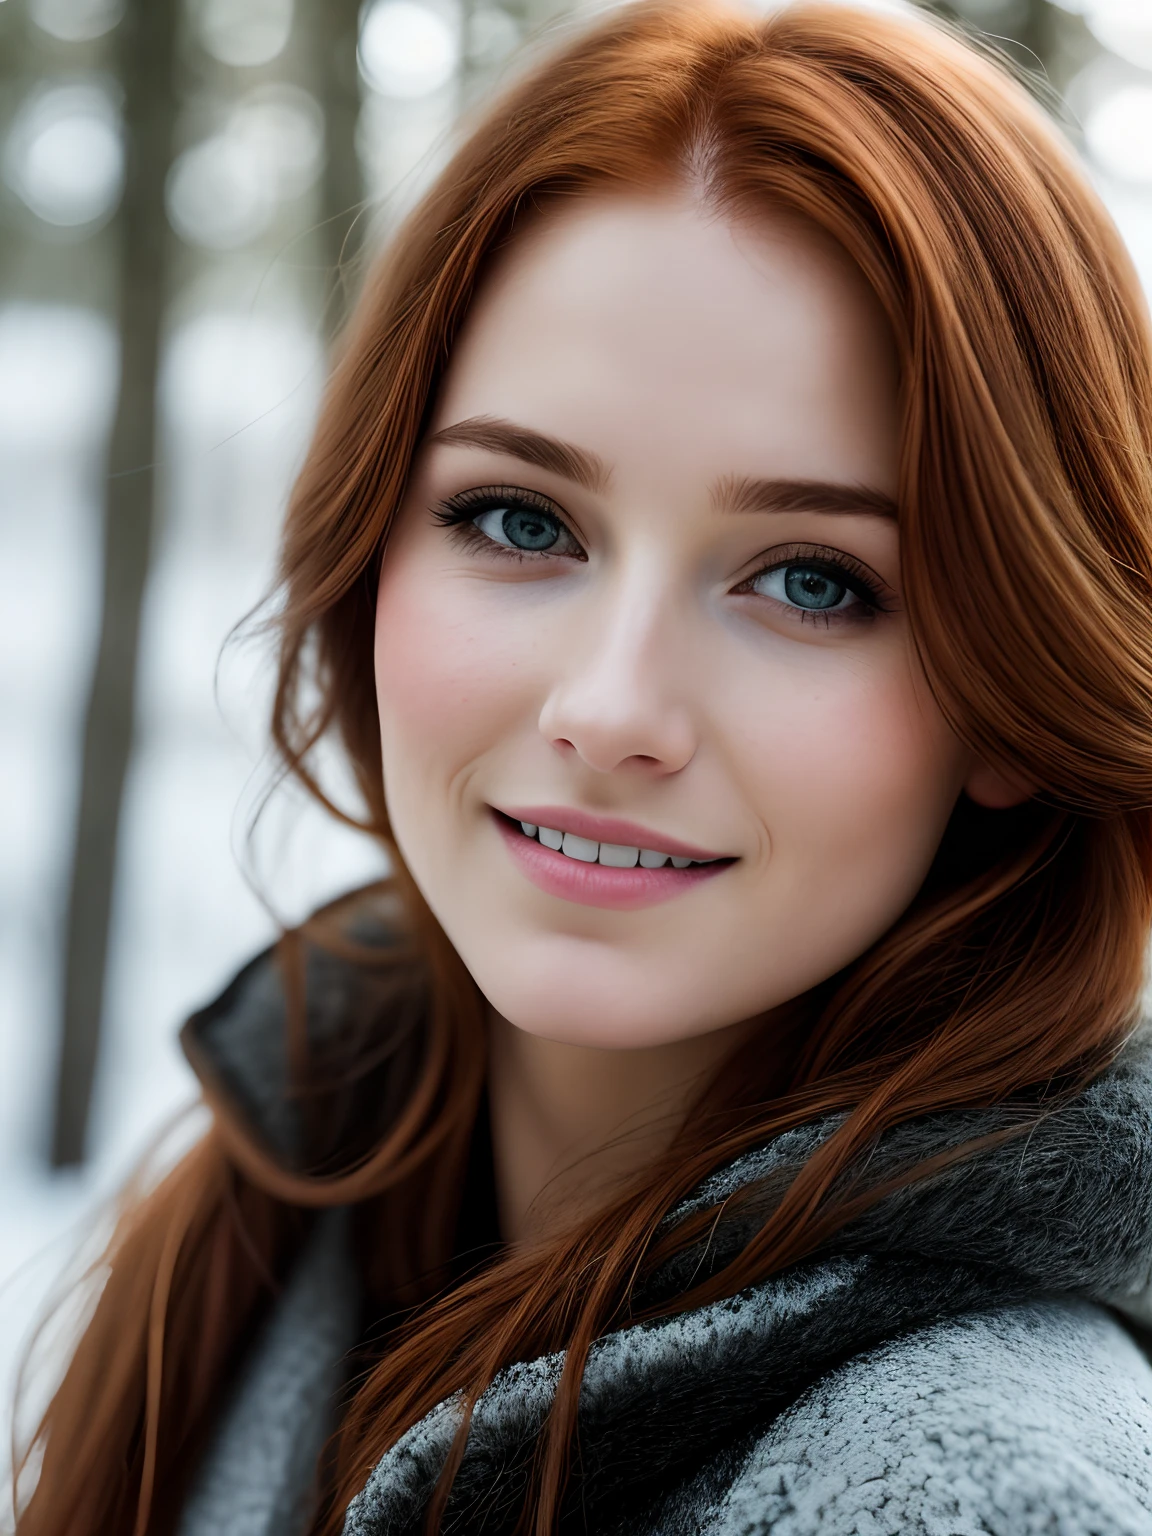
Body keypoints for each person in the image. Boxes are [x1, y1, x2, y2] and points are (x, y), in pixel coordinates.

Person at [17, 1, 1152, 1532]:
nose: (611, 707)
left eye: (814, 579)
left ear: (1016, 698)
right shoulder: (279, 1204)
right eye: (520, 521)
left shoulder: (984, 1487)